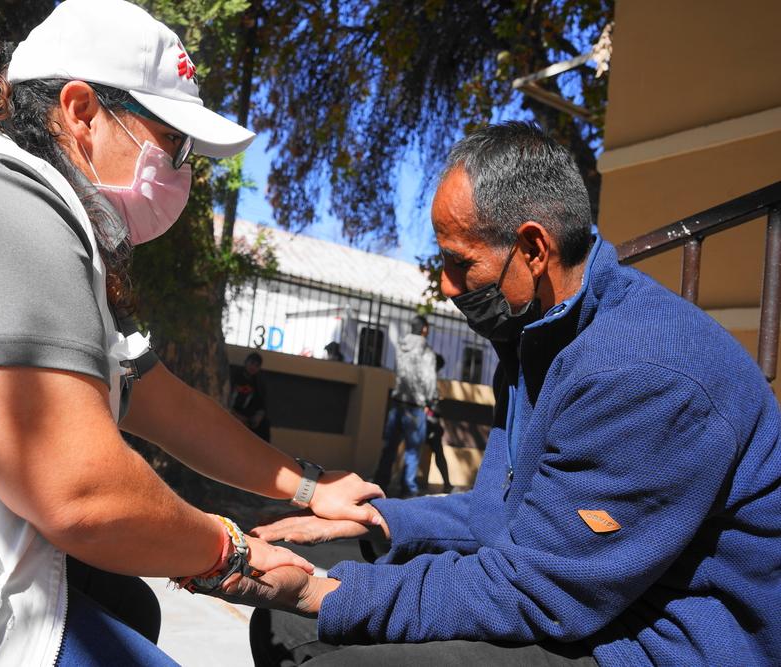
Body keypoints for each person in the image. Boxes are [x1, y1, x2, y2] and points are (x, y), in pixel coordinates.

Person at [0, 1, 383, 664]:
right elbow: (83, 493)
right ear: (82, 111)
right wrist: (238, 554)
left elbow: (162, 402)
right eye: (174, 143)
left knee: (132, 605)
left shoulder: (34, 215)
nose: (184, 170)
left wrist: (310, 485)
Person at [212, 121, 781, 666]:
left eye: (460, 263)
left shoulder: (644, 376)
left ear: (533, 250)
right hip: (581, 596)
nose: (445, 285)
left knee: (322, 622)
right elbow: (501, 518)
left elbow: (538, 589)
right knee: (285, 622)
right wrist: (382, 523)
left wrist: (320, 593)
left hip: (657, 642)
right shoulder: (534, 338)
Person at [372, 315, 439, 498]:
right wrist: (431, 400)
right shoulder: (426, 351)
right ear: (424, 329)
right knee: (412, 451)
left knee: (389, 448)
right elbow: (429, 379)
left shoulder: (401, 347)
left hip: (398, 402)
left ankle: (380, 484)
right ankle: (408, 489)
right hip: (416, 406)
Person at [421, 353, 451, 493]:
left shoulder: (424, 375)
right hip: (429, 420)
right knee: (438, 453)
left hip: (427, 419)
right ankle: (447, 483)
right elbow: (430, 401)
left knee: (413, 452)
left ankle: (446, 483)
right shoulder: (429, 377)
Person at [231, 352, 271, 442]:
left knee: (264, 424)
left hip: (247, 414)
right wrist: (237, 416)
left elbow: (261, 404)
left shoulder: (258, 382)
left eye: (257, 366)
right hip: (232, 411)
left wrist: (258, 416)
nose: (253, 367)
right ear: (246, 363)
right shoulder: (235, 376)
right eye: (251, 363)